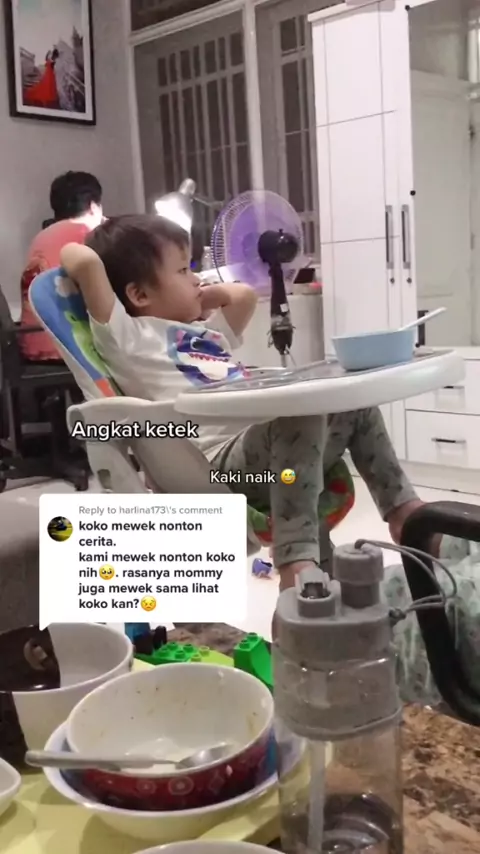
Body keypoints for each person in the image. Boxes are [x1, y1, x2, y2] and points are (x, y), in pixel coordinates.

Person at [60, 215, 424, 592]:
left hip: (262, 449)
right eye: (183, 271)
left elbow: (244, 296)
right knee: (297, 413)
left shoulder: (204, 334)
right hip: (216, 464)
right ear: (139, 295)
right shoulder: (129, 336)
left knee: (353, 400)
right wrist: (81, 261)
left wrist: (203, 295)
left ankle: (404, 513)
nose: (196, 279)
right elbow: (82, 259)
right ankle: (294, 559)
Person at [20, 171, 103, 361]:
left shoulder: (41, 238)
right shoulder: (88, 237)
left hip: (32, 344)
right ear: (93, 207)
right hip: (68, 350)